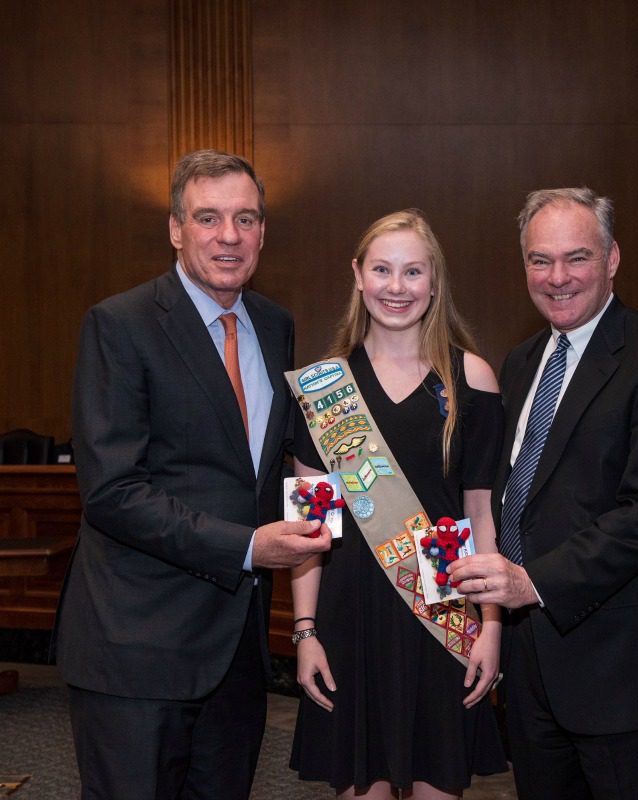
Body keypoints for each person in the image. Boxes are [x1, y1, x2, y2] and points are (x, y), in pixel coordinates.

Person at [55, 149, 332, 800]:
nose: (229, 236)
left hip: (237, 653)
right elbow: (112, 492)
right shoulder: (119, 325)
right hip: (137, 647)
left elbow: (293, 462)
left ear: (263, 231)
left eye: (245, 218)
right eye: (208, 218)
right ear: (176, 229)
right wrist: (248, 547)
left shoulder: (275, 326)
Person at [449, 187, 638, 800]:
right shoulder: (521, 362)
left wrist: (533, 582)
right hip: (533, 668)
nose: (558, 277)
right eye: (540, 260)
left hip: (626, 674)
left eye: (577, 257)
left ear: (612, 258)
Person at [289, 209, 508, 799]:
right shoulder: (323, 386)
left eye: (413, 271)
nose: (397, 286)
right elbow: (308, 528)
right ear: (358, 275)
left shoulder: (472, 378)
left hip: (442, 612)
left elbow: (482, 515)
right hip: (349, 618)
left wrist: (491, 626)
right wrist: (305, 632)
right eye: (382, 269)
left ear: (434, 281)